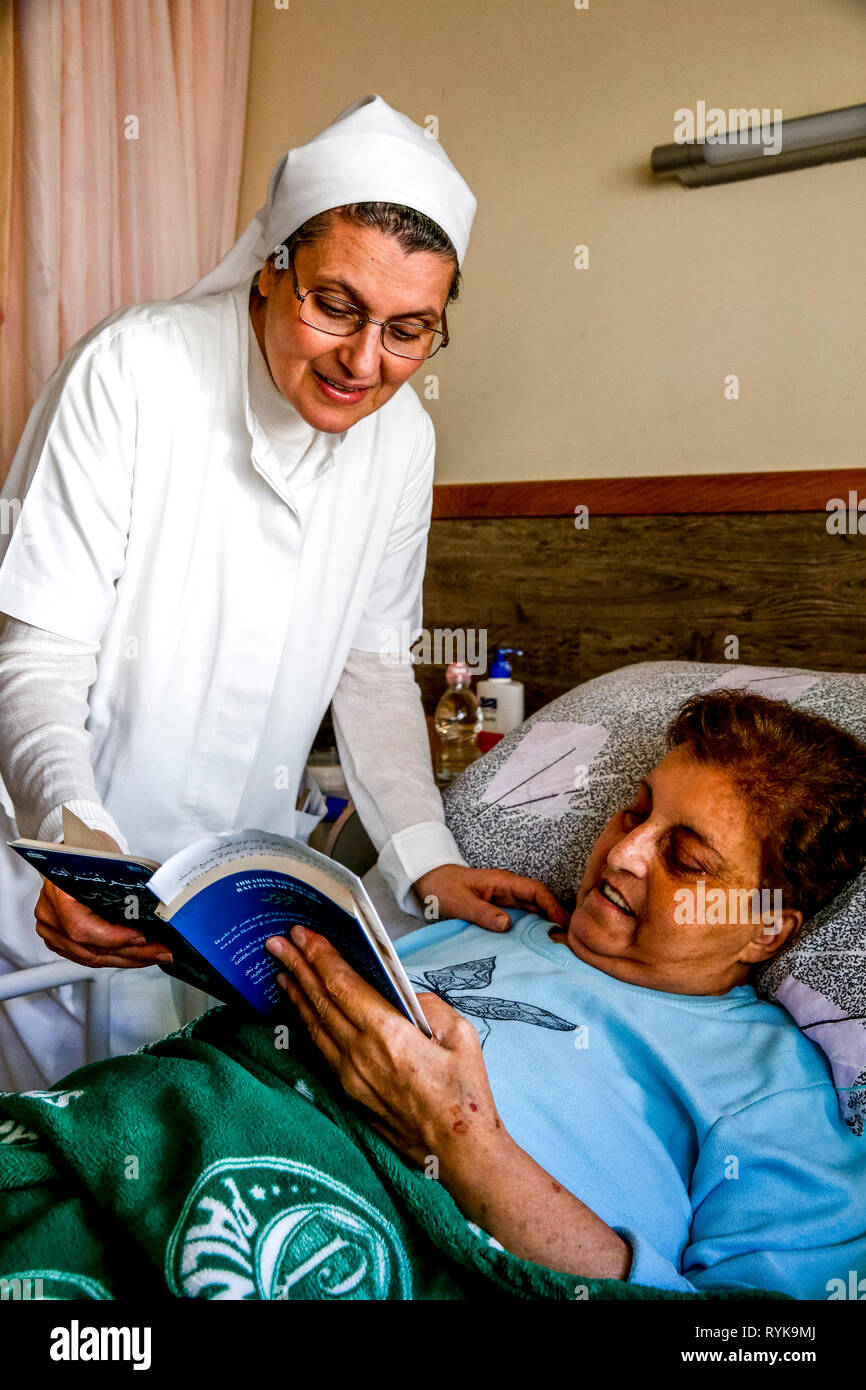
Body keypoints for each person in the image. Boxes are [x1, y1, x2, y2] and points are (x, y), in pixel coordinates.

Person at [0, 94, 567, 1088]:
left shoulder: (401, 440)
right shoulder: (134, 370)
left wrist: (424, 851)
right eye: (334, 306)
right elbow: (37, 647)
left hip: (225, 916)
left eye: (407, 330)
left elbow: (373, 664)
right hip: (49, 889)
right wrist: (70, 831)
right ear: (271, 266)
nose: (362, 361)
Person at [265, 690, 866, 1297]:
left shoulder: (769, 1086)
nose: (624, 855)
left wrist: (463, 1144)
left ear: (766, 929)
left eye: (684, 859)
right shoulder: (474, 924)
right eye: (635, 813)